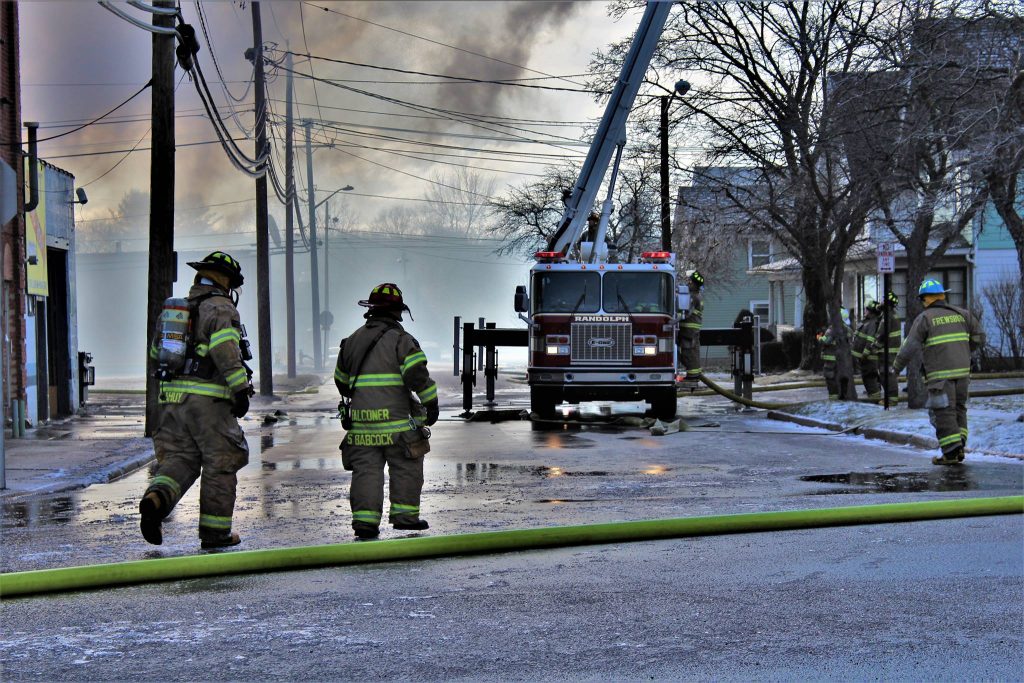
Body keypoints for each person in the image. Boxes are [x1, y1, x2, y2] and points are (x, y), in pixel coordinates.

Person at [139, 251, 253, 549]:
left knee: (181, 459)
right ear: (224, 280)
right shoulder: (220, 307)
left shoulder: (175, 313)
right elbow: (226, 350)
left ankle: (156, 500)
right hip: (208, 403)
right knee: (222, 461)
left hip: (172, 401)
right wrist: (240, 390)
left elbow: (155, 356)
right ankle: (216, 534)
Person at [335, 283, 439, 540]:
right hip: (397, 427)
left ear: (370, 309)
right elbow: (417, 376)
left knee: (366, 473)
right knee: (407, 465)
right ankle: (405, 518)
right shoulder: (402, 341)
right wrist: (431, 403)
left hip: (361, 429)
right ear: (397, 312)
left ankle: (365, 523)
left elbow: (341, 382)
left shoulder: (351, 341)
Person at [892, 280, 984, 465]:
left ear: (925, 298)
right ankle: (959, 446)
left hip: (940, 376)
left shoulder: (925, 318)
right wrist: (964, 351)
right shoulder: (962, 314)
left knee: (943, 411)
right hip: (963, 373)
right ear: (942, 295)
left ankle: (951, 453)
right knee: (959, 408)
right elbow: (979, 338)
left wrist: (895, 368)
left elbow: (909, 347)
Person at [852, 300, 884, 400]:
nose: (865, 311)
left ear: (871, 311)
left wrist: (864, 355)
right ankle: (874, 396)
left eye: (866, 309)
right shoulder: (868, 322)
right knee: (869, 379)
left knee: (869, 378)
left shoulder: (873, 323)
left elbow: (870, 341)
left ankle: (875, 400)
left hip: (869, 358)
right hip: (865, 358)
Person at [817, 307, 851, 400]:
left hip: (831, 358)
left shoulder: (832, 329)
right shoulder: (848, 329)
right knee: (842, 378)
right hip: (843, 359)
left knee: (830, 378)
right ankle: (843, 397)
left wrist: (819, 337)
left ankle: (833, 399)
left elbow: (826, 341)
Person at [677, 270, 704, 383]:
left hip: (689, 330)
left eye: (690, 282)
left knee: (688, 353)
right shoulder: (697, 295)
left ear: (694, 284)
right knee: (692, 352)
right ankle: (694, 375)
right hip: (692, 330)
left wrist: (673, 320)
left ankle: (692, 377)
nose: (688, 284)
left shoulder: (693, 297)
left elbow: (685, 312)